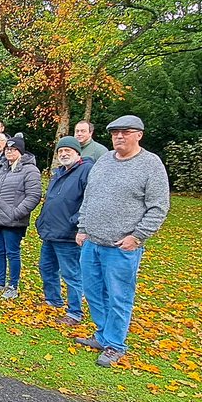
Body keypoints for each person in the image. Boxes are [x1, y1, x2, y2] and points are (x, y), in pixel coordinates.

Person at [76, 115, 170, 367]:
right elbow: (89, 196)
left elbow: (158, 207)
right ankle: (103, 334)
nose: (119, 136)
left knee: (119, 296)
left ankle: (115, 345)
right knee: (93, 293)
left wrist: (137, 237)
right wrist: (82, 228)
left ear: (139, 135)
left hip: (121, 247)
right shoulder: (105, 160)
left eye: (126, 132)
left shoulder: (150, 164)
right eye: (115, 132)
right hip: (92, 242)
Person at [36, 137, 93, 326]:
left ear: (77, 152)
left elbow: (89, 201)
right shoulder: (58, 172)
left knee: (71, 274)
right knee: (46, 267)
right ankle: (53, 300)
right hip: (51, 231)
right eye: (60, 151)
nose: (64, 154)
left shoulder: (85, 170)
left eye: (68, 150)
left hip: (68, 234)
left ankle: (75, 312)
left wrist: (75, 222)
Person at [0, 136, 42, 298]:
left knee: (12, 252)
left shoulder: (30, 170)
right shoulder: (1, 166)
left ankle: (13, 286)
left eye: (13, 149)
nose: (9, 152)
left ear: (20, 152)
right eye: (7, 149)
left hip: (13, 221)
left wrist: (16, 213)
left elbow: (34, 196)